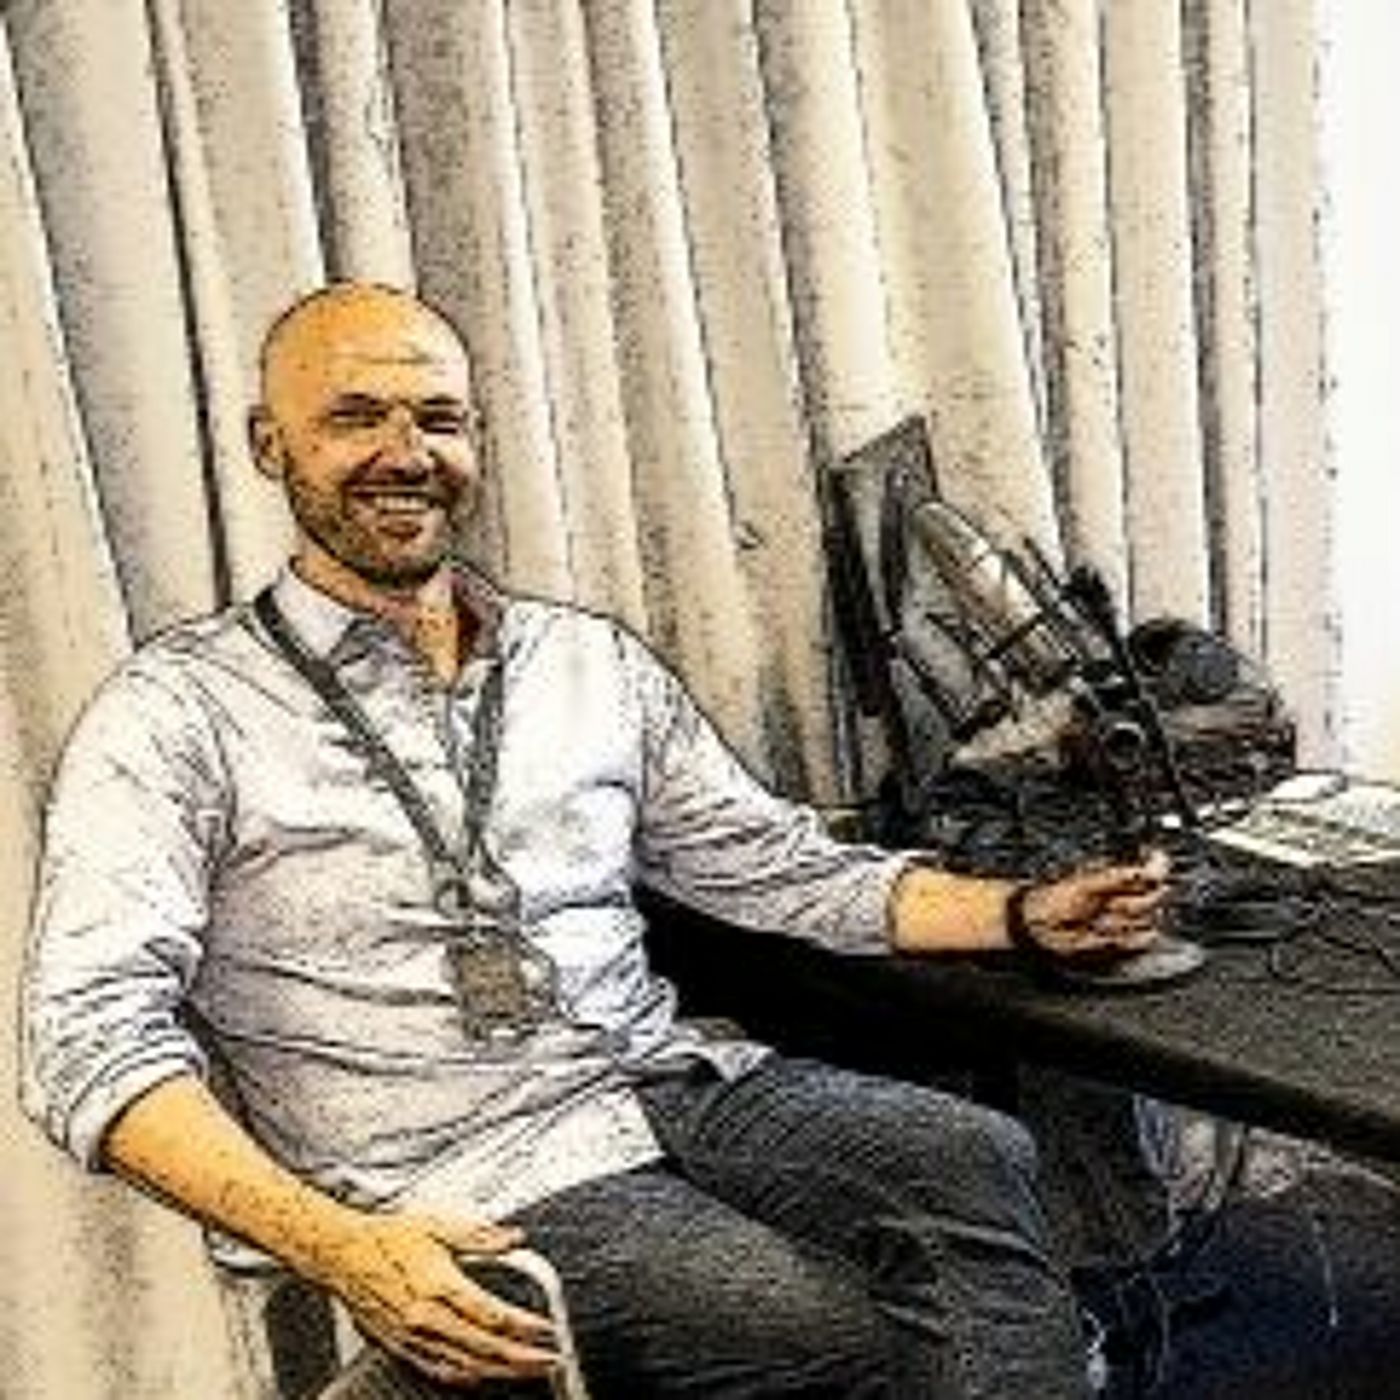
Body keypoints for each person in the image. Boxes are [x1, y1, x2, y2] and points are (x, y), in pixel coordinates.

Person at [21, 282, 1169, 1398]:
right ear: (270, 445)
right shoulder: (174, 711)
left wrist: (1016, 913)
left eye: (438, 418)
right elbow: (86, 1040)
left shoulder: (583, 661)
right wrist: (342, 1248)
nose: (405, 452)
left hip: (667, 1084)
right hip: (457, 1178)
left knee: (976, 1153)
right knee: (866, 1326)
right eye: (355, 417)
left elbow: (767, 861)